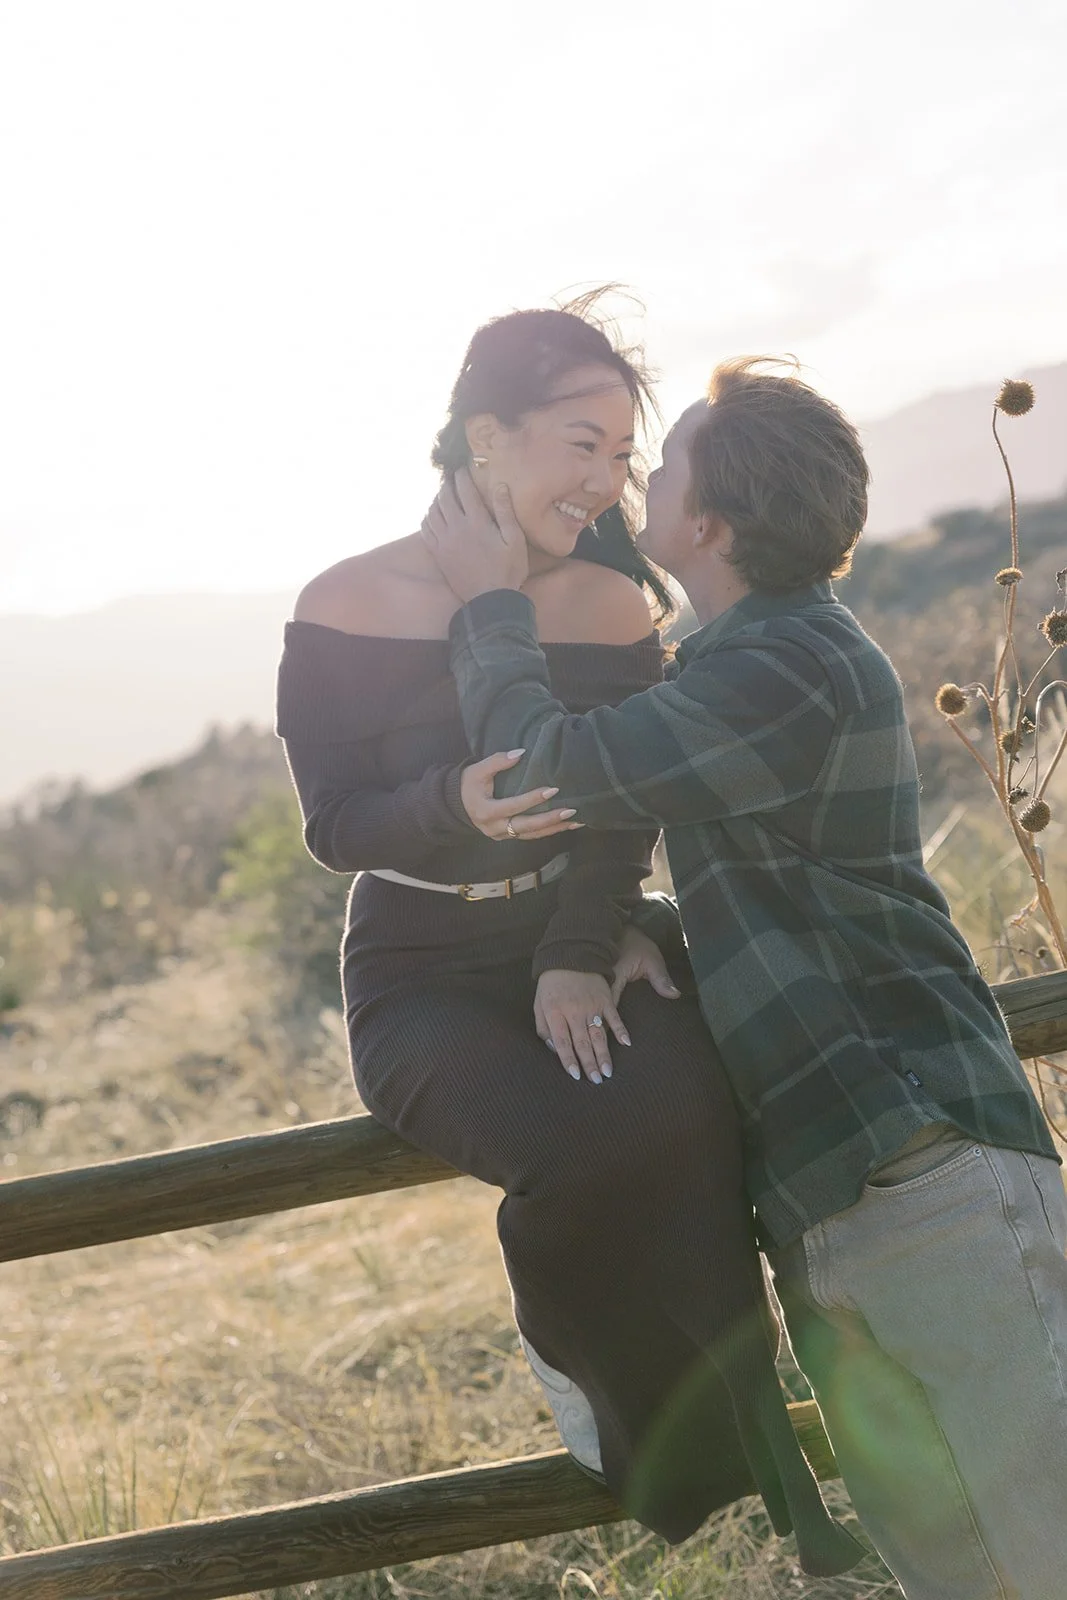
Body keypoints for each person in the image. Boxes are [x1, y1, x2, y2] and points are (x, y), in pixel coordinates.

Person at [422, 357, 1067, 1600]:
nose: (633, 477)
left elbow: (549, 765)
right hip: (838, 1199)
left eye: (659, 468)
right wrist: (639, 928)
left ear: (705, 524)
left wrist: (487, 602)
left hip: (920, 1167)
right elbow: (769, 885)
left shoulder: (787, 665)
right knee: (966, 1575)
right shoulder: (736, 665)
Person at [275, 301, 860, 1574]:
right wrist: (448, 806)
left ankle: (787, 1483)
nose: (606, 481)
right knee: (577, 1150)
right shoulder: (337, 602)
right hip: (416, 977)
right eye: (579, 445)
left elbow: (616, 808)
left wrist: (580, 947)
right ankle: (592, 1381)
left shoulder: (604, 603)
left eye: (621, 455)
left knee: (692, 1131)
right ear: (487, 438)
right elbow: (333, 824)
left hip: (579, 937)